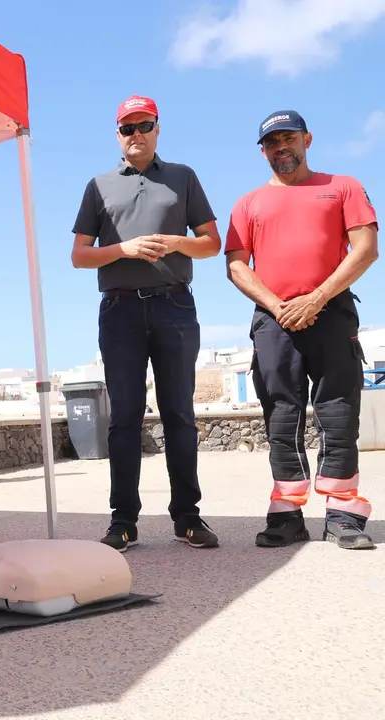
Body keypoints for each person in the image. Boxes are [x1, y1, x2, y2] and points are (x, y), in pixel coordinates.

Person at [70, 94, 222, 552]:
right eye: (127, 128)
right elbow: (79, 256)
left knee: (179, 413)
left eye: (145, 125)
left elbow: (212, 243)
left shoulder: (183, 178)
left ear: (158, 128)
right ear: (117, 135)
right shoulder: (99, 186)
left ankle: (188, 517)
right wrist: (124, 250)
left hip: (175, 306)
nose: (136, 134)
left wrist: (177, 241)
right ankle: (123, 521)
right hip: (120, 312)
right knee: (124, 418)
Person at [224, 110, 378, 550]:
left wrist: (318, 298)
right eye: (272, 143)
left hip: (331, 313)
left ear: (307, 139)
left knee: (337, 410)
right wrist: (278, 306)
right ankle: (286, 515)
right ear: (263, 151)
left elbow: (366, 248)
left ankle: (344, 514)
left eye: (288, 138)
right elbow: (236, 265)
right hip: (273, 321)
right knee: (281, 414)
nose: (281, 148)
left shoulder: (342, 187)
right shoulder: (248, 203)